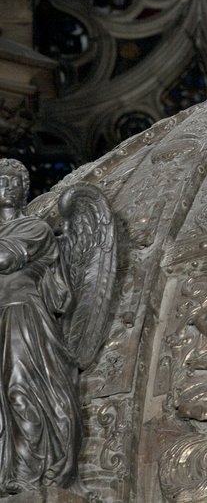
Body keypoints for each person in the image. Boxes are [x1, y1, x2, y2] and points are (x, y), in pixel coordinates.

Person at [0, 157, 81, 492]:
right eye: (0, 181)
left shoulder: (33, 228)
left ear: (24, 189)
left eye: (14, 181)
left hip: (20, 312)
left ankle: (29, 473)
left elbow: (5, 258)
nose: (7, 186)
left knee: (20, 389)